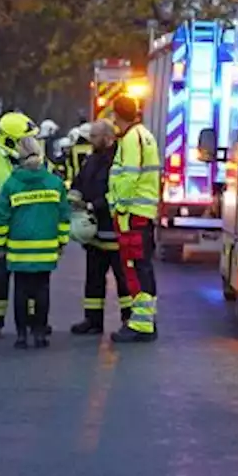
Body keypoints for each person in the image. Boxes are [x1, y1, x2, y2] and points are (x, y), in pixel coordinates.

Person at [0, 136, 71, 349]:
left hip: (18, 251)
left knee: (21, 291)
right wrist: (62, 242)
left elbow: (0, 218)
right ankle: (40, 333)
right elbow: (64, 217)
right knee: (42, 290)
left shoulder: (12, 184)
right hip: (46, 250)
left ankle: (21, 335)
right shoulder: (54, 183)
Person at [68, 119, 132, 335]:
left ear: (107, 137)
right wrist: (73, 197)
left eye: (95, 136)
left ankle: (128, 319)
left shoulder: (117, 160)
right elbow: (80, 182)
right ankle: (93, 321)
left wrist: (92, 205)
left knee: (123, 280)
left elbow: (116, 193)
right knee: (93, 279)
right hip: (95, 232)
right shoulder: (92, 159)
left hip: (114, 231)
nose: (91, 140)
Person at [106, 95, 161, 343]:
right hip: (143, 213)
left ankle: (140, 325)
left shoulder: (130, 139)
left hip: (133, 215)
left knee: (135, 268)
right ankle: (145, 321)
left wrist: (119, 207)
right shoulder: (144, 135)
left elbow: (129, 177)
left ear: (117, 115)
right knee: (143, 267)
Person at [0, 111, 40, 338]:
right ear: (8, 140)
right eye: (24, 140)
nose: (30, 144)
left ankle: (34, 321)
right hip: (3, 232)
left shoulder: (38, 160)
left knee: (33, 280)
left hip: (30, 230)